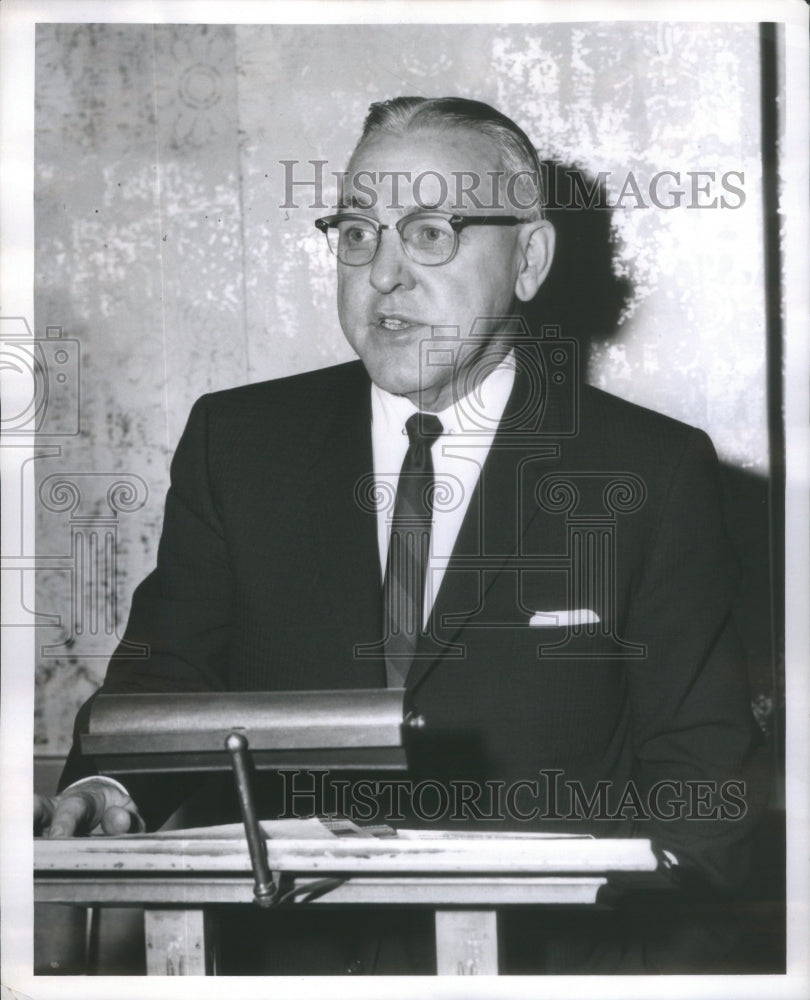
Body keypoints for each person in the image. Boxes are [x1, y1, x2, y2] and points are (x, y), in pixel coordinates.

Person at [35, 96, 766, 973]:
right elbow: (169, 677)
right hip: (292, 964)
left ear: (529, 257)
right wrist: (108, 782)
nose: (382, 275)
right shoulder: (240, 444)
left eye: (429, 232)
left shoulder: (653, 469)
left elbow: (701, 783)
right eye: (356, 232)